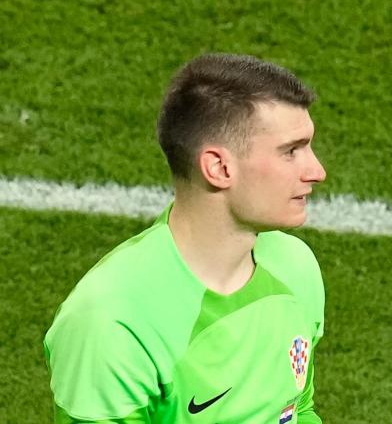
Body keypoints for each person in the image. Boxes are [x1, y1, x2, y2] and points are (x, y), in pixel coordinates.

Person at [44, 53, 327, 423]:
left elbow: (296, 410)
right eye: (291, 151)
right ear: (219, 167)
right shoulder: (112, 322)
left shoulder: (294, 266)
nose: (317, 171)